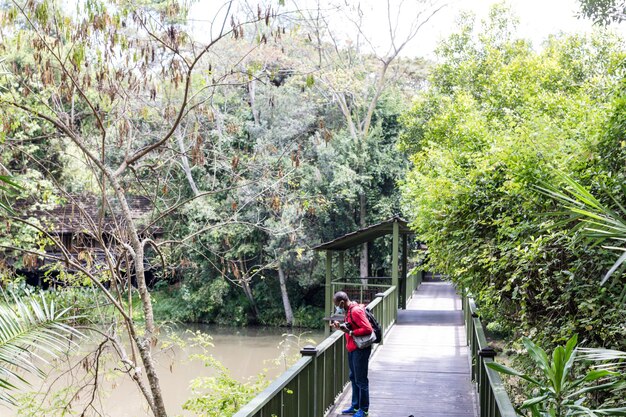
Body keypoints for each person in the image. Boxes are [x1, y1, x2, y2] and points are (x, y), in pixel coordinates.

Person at [331, 291, 373, 417]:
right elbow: (352, 326)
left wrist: (351, 333)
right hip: (352, 348)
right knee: (353, 377)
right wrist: (341, 327)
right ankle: (355, 406)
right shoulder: (348, 311)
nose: (336, 307)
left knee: (361, 380)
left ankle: (364, 409)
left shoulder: (355, 311)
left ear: (342, 302)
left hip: (360, 349)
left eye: (337, 304)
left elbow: (367, 329)